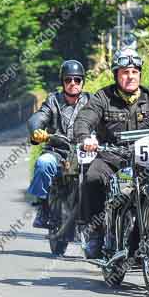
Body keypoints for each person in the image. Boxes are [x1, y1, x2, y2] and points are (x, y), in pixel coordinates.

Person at [74, 48, 149, 258]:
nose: (130, 76)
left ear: (140, 74)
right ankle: (95, 234)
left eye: (134, 72)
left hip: (144, 161)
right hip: (112, 159)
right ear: (116, 75)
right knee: (93, 178)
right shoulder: (103, 97)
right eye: (124, 72)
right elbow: (85, 118)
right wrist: (85, 137)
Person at [26, 60, 91, 228]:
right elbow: (39, 116)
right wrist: (36, 130)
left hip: (84, 153)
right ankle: (43, 207)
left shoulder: (91, 101)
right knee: (43, 163)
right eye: (68, 80)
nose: (72, 84)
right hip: (57, 151)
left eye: (77, 80)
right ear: (62, 82)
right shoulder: (53, 100)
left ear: (82, 81)